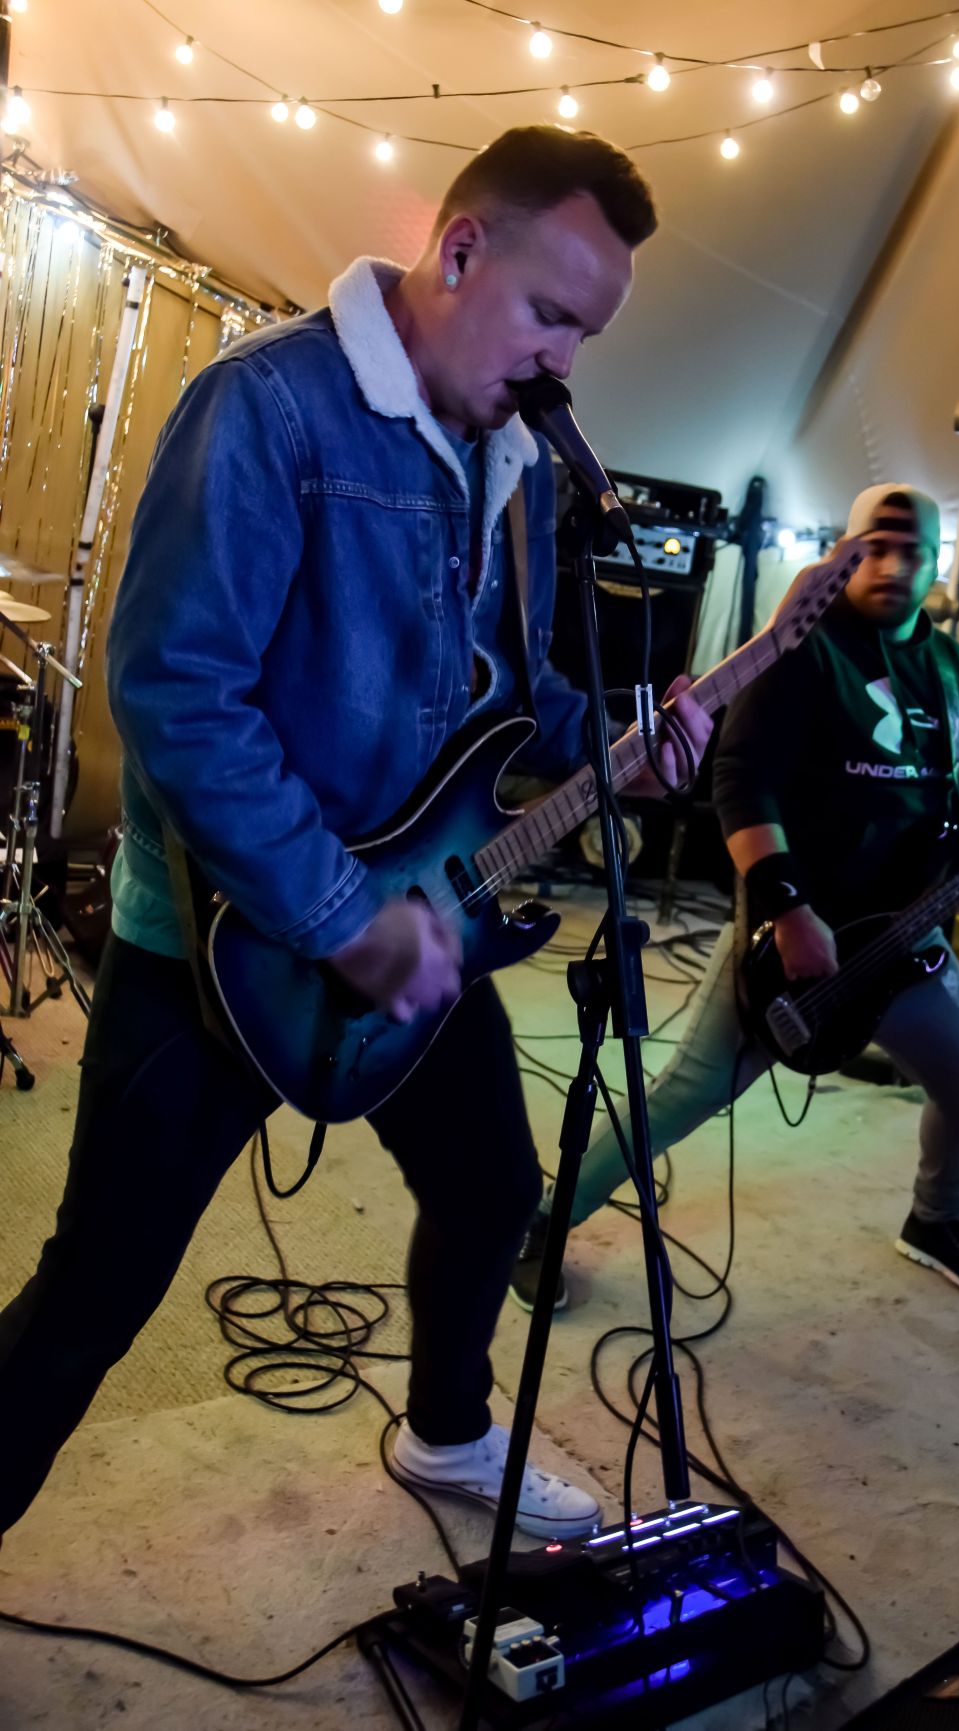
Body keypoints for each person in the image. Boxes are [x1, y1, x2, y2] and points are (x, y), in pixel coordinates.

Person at [0, 126, 710, 1547]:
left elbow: (512, 692)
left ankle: (445, 1431)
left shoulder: (512, 461)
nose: (562, 361)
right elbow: (177, 692)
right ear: (459, 249)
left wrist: (621, 743)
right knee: (100, 1286)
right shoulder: (265, 407)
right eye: (549, 313)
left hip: (419, 918)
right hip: (218, 951)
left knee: (492, 1188)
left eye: (586, 334)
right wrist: (338, 915)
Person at [512, 484, 959, 1311]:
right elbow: (739, 781)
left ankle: (934, 1220)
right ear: (843, 552)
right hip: (796, 933)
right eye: (874, 546)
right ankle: (541, 1222)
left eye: (912, 550)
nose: (891, 565)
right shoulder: (800, 649)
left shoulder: (953, 669)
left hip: (903, 937)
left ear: (936, 562)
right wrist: (788, 910)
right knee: (686, 1092)